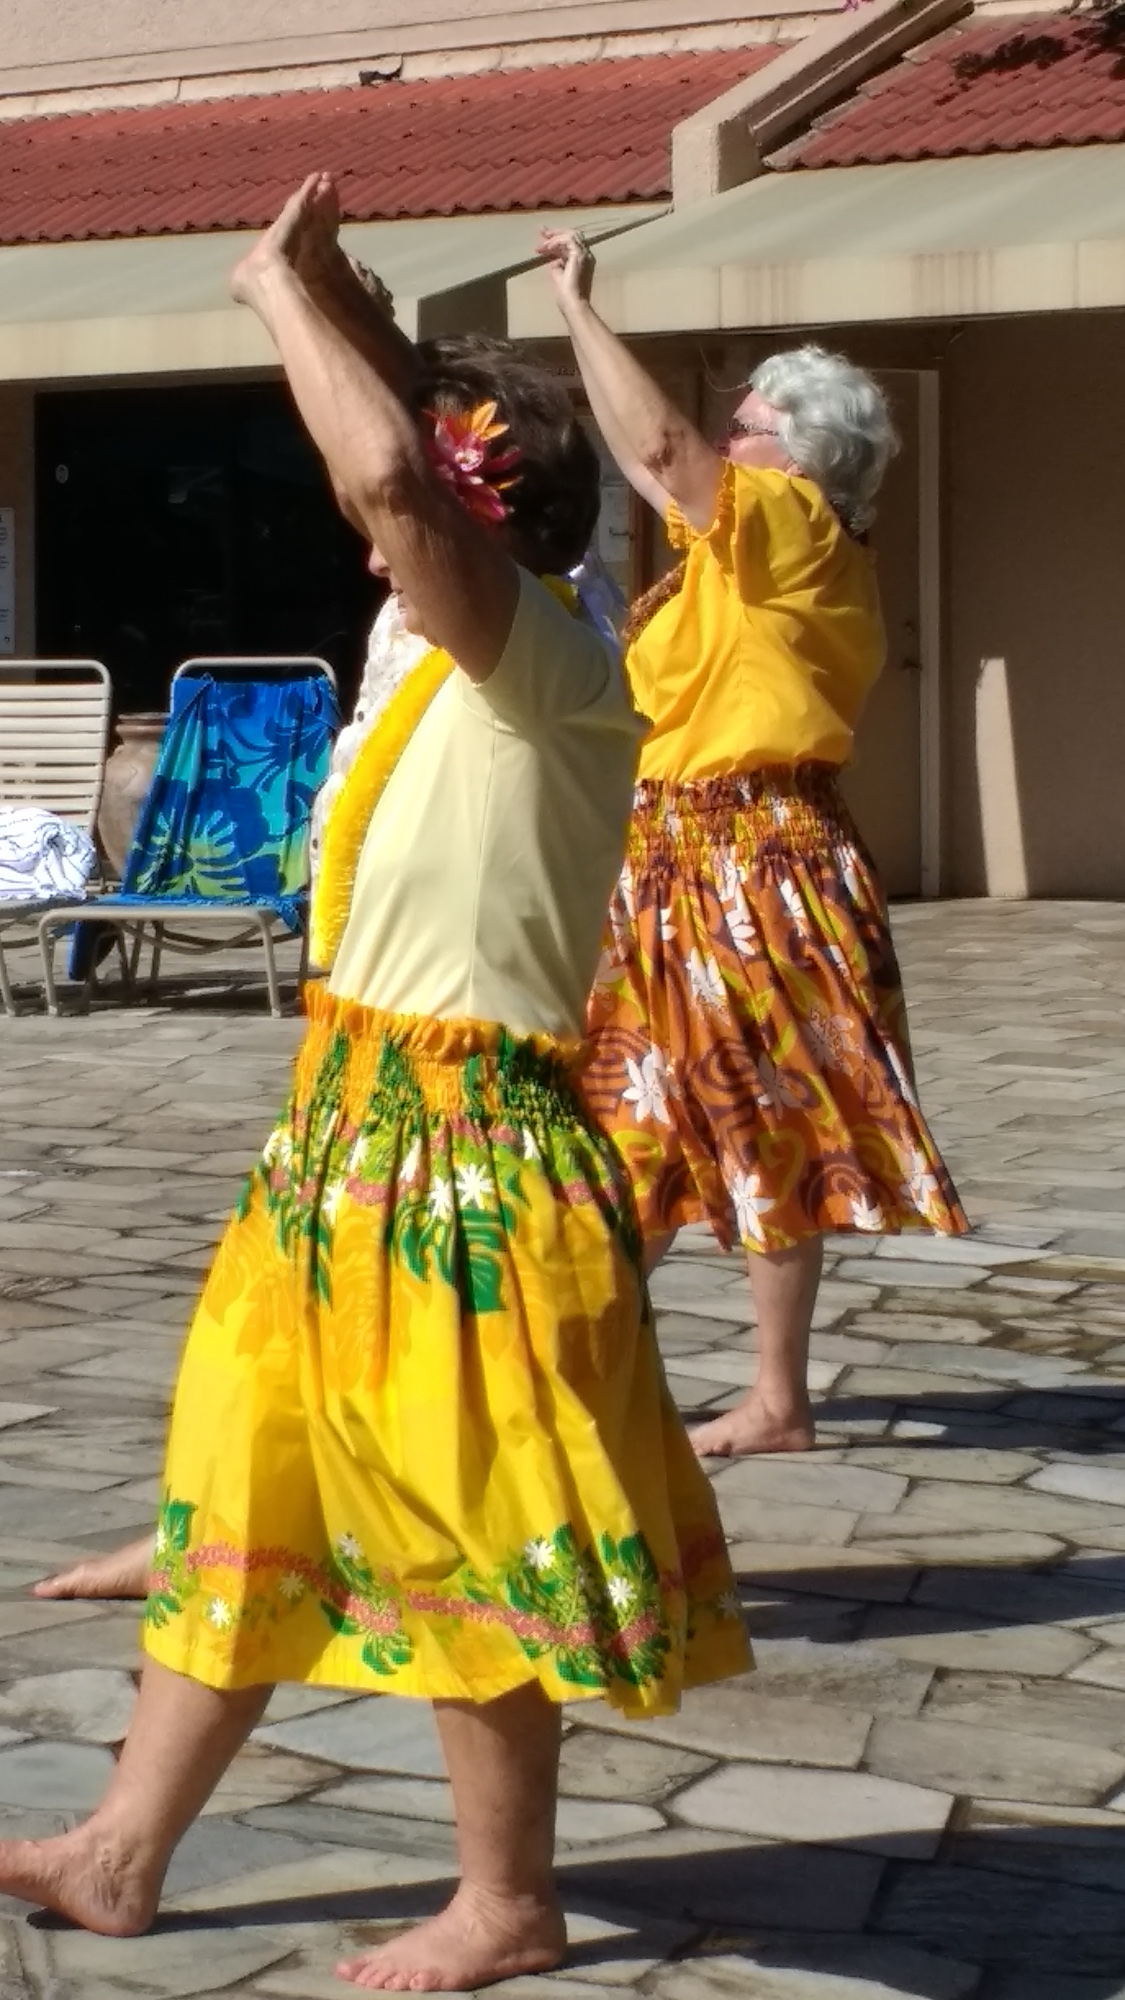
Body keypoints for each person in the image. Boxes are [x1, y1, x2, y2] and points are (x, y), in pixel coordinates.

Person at [5, 175, 749, 1994]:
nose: (368, 532)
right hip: (347, 1136)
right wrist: (349, 301)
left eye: (412, 505)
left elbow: (405, 483)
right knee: (246, 1490)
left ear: (473, 519)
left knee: (467, 1519)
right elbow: (424, 451)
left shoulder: (545, 665)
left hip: (470, 1161)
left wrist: (272, 295)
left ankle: (508, 1897)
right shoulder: (433, 651)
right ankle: (118, 1851)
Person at [537, 226, 968, 1461]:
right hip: (670, 854)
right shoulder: (722, 555)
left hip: (753, 861)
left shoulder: (803, 536)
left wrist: (574, 308)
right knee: (635, 1116)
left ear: (802, 458)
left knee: (757, 1112)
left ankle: (778, 1395)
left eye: (752, 425)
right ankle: (585, 1369)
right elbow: (657, 457)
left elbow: (663, 447)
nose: (729, 442)